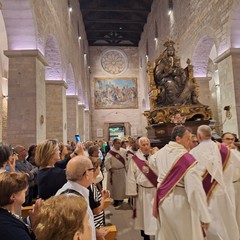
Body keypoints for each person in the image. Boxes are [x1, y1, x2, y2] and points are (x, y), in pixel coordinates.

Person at [152, 125, 210, 240]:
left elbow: (153, 164)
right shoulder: (187, 159)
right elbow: (194, 190)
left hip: (163, 202)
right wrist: (204, 216)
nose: (190, 142)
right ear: (178, 139)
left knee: (167, 235)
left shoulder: (159, 153)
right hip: (181, 204)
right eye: (188, 139)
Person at [190, 125, 240, 240]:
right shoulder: (226, 150)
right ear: (210, 135)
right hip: (225, 192)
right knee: (227, 222)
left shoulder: (193, 153)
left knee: (212, 225)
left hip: (206, 194)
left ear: (198, 136)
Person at [56, 155, 109, 240]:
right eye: (92, 169)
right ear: (87, 174)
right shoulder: (73, 201)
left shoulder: (71, 191)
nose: (94, 172)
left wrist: (94, 233)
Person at [126, 137, 158, 240]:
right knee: (144, 216)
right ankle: (146, 236)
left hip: (155, 190)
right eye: (143, 145)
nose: (146, 146)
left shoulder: (155, 156)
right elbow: (130, 176)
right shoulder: (135, 159)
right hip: (142, 191)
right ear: (139, 146)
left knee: (155, 215)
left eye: (147, 144)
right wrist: (132, 192)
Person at [0, 172, 35, 240]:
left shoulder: (6, 214)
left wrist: (32, 221)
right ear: (13, 196)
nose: (26, 194)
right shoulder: (8, 225)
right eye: (24, 192)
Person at [222, 132, 240, 237]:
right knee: (229, 214)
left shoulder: (237, 153)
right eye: (227, 139)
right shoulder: (219, 153)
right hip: (226, 187)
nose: (230, 141)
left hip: (237, 185)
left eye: (232, 139)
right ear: (222, 141)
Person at [105, 138, 127, 207]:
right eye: (117, 143)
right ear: (114, 144)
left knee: (122, 187)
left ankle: (121, 198)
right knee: (115, 187)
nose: (119, 144)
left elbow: (127, 159)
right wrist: (110, 168)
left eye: (119, 143)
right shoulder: (110, 152)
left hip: (122, 171)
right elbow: (106, 162)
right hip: (114, 172)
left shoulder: (124, 151)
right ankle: (116, 200)